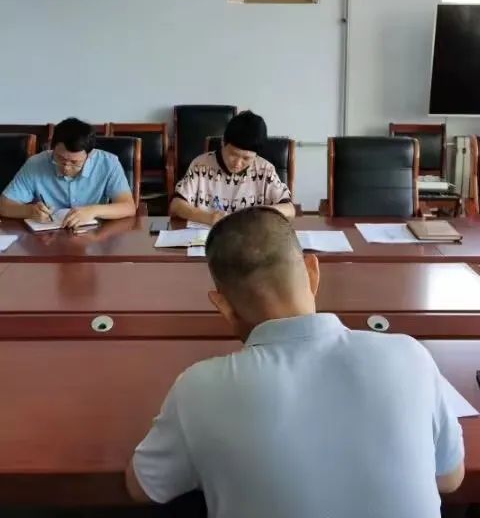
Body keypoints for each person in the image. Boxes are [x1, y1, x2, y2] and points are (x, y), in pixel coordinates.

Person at [127, 208, 464, 518]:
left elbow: (141, 487)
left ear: (223, 306)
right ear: (313, 272)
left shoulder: (198, 390)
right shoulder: (410, 356)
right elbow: (450, 478)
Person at [0, 117, 136, 228]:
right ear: (52, 148)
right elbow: (4, 205)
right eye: (60, 158)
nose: (66, 168)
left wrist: (93, 210)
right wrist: (30, 211)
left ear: (90, 155)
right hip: (46, 239)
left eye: (75, 162)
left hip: (93, 236)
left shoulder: (108, 163)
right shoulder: (36, 164)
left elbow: (128, 207)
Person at [169, 110, 295, 225]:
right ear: (223, 142)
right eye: (233, 155)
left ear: (256, 155)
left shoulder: (265, 170)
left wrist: (263, 213)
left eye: (246, 158)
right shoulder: (201, 165)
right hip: (207, 236)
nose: (238, 163)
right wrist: (209, 218)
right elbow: (175, 205)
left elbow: (289, 209)